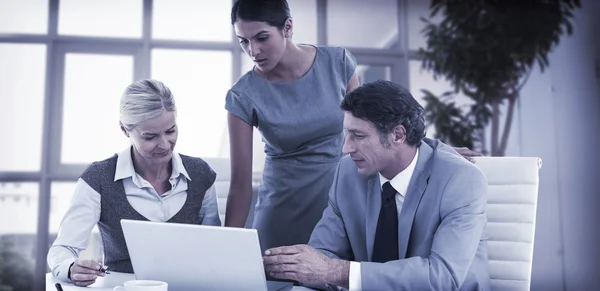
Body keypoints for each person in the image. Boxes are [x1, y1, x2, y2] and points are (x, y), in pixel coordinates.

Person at [263, 80, 491, 290]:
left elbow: (442, 276)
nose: (346, 148)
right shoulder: (347, 172)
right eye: (346, 134)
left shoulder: (460, 180)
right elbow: (323, 256)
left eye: (358, 136)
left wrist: (337, 272)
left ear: (398, 135)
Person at [47, 79, 221, 287]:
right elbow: (63, 248)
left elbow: (214, 248)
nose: (164, 144)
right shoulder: (98, 178)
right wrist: (70, 267)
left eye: (170, 131)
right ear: (125, 130)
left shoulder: (201, 174)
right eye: (150, 136)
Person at [224, 0, 359, 253]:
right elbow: (240, 185)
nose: (253, 51)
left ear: (287, 27)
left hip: (340, 209)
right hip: (282, 215)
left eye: (261, 38)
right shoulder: (242, 95)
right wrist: (226, 252)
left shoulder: (338, 63)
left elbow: (366, 135)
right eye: (243, 41)